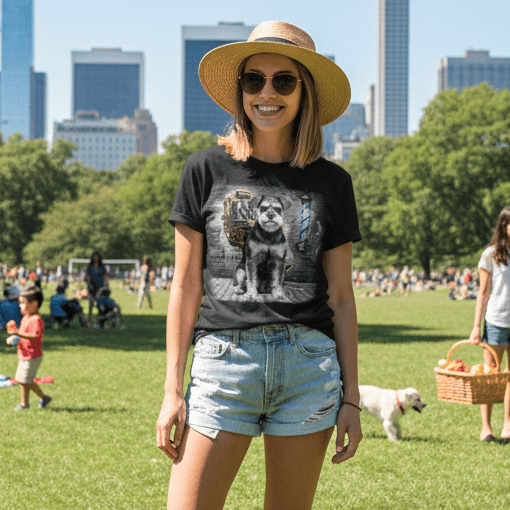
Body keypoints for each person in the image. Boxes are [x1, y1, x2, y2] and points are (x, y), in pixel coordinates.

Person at [156, 21, 362, 510]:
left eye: (283, 81)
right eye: (254, 80)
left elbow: (340, 297)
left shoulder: (333, 182)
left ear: (304, 91)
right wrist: (172, 389)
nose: (267, 93)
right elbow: (184, 286)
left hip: (308, 367)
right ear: (240, 91)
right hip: (223, 365)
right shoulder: (204, 169)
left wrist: (351, 398)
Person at [469, 205, 510, 441]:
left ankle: (507, 424)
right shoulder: (491, 254)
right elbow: (483, 292)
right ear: (503, 226)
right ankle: (486, 427)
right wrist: (476, 326)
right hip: (495, 321)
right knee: (490, 377)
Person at [6, 286, 51, 411]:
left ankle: (42, 398)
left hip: (32, 356)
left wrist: (18, 334)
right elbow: (22, 333)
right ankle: (25, 403)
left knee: (25, 380)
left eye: (23, 303)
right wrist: (14, 337)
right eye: (20, 303)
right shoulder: (26, 317)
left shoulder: (36, 319)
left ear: (34, 304)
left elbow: (35, 335)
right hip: (24, 354)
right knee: (22, 380)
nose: (20, 306)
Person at [84, 251, 109, 319]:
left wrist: (107, 285)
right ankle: (90, 316)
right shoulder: (90, 267)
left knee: (100, 303)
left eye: (97, 256)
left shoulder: (102, 267)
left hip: (100, 287)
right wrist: (88, 283)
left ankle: (100, 316)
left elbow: (105, 276)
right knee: (91, 303)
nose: (96, 258)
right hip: (92, 287)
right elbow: (86, 277)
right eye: (94, 257)